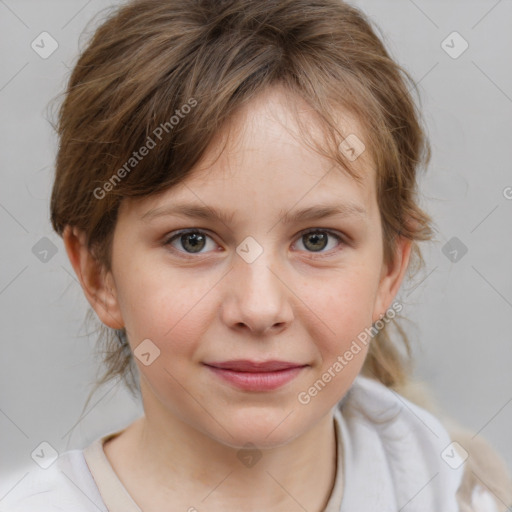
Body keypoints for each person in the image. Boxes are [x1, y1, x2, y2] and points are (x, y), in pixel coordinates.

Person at [2, 0, 511, 511]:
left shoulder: (463, 493)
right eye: (192, 241)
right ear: (98, 274)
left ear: (388, 271)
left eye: (317, 240)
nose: (260, 308)